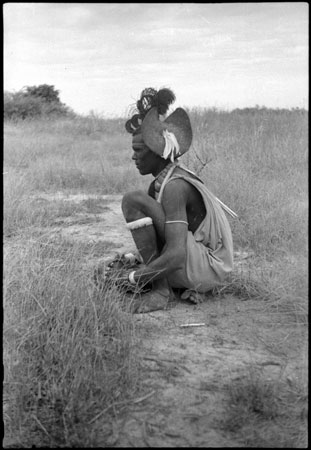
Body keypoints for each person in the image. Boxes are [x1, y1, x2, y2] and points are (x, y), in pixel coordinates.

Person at [111, 87, 235, 313]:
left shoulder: (175, 187)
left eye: (138, 150)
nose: (133, 156)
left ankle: (160, 292)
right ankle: (166, 285)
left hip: (206, 268)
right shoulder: (161, 183)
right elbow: (165, 238)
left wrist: (132, 278)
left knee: (132, 200)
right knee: (108, 270)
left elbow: (176, 254)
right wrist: (133, 258)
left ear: (157, 152)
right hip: (200, 266)